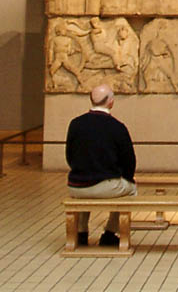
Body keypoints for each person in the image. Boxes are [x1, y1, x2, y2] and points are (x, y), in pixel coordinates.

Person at [66, 83, 137, 247]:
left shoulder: (75, 124)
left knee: (85, 190)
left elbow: (69, 155)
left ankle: (81, 233)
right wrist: (125, 177)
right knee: (131, 189)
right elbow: (129, 160)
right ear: (111, 102)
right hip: (105, 185)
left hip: (76, 186)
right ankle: (110, 233)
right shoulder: (117, 127)